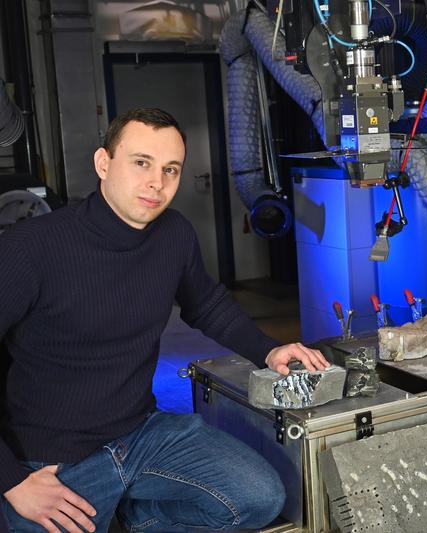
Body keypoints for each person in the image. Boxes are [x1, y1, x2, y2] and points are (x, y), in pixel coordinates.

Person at [0, 108, 330, 532]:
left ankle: (139, 517)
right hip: (52, 459)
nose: (157, 182)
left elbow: (206, 304)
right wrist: (13, 482)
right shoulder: (31, 249)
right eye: (141, 163)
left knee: (260, 497)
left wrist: (268, 349)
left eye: (170, 168)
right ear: (104, 163)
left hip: (142, 431)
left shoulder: (173, 233)